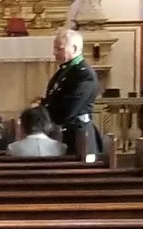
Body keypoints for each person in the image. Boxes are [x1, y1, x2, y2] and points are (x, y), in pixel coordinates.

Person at [41, 28, 103, 159]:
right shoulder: (66, 70)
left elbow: (69, 110)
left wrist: (44, 114)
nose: (54, 53)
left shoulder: (84, 75)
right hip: (64, 134)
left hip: (79, 137)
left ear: (74, 49)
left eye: (59, 49)